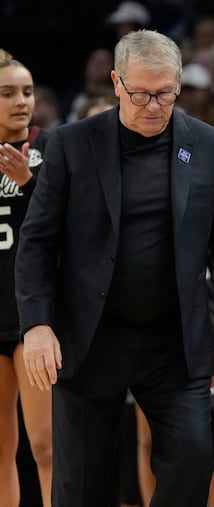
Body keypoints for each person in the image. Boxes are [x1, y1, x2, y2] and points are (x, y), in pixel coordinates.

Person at [14, 29, 214, 506]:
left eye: (165, 93)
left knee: (192, 462)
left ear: (180, 85)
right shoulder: (71, 144)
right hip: (91, 339)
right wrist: (37, 325)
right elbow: (37, 243)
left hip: (175, 343)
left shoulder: (208, 146)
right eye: (141, 93)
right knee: (81, 485)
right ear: (117, 83)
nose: (153, 105)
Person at [0, 49, 52, 507]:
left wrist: (29, 181)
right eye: (8, 93)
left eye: (28, 91)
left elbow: (73, 226)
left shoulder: (51, 148)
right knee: (1, 450)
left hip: (31, 316)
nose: (21, 101)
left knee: (45, 445)